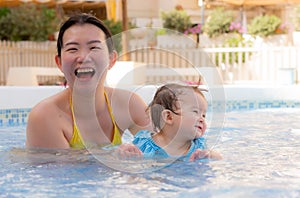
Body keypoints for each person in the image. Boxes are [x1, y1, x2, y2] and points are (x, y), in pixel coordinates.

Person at [26, 13, 151, 149]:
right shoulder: (45, 117)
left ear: (112, 59)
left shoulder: (129, 104)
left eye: (94, 48)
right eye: (73, 49)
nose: (84, 57)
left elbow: (163, 150)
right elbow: (62, 170)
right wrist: (117, 157)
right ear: (59, 62)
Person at [117, 83, 222, 161]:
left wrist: (210, 155)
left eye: (204, 115)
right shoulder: (145, 144)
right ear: (168, 117)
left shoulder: (198, 146)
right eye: (195, 112)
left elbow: (219, 158)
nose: (202, 119)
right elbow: (131, 160)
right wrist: (126, 151)